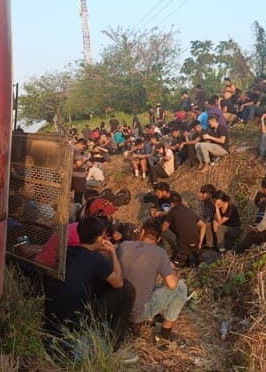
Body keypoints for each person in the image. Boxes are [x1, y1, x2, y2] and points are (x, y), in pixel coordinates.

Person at [44, 216, 137, 363]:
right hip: (77, 322)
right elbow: (118, 283)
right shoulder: (96, 260)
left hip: (53, 320)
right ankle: (114, 347)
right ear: (100, 237)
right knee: (127, 289)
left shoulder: (67, 251)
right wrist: (113, 252)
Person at [118, 219, 188, 344]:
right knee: (181, 288)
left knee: (151, 285)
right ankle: (164, 335)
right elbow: (172, 284)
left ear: (142, 232)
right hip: (136, 313)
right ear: (159, 239)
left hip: (118, 308)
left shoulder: (124, 246)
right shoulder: (160, 253)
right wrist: (172, 272)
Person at [162, 193, 205, 265]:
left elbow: (164, 228)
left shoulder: (172, 211)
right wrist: (200, 242)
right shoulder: (190, 211)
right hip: (196, 245)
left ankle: (168, 256)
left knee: (163, 233)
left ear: (171, 203)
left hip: (183, 246)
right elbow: (203, 225)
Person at [71, 138, 90, 204]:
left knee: (77, 193)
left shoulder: (72, 149)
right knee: (79, 194)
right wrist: (86, 159)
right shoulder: (76, 151)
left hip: (75, 174)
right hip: (78, 176)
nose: (83, 148)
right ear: (80, 144)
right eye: (83, 146)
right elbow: (79, 164)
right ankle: (78, 207)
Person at [198, 184, 216, 248]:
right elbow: (199, 214)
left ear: (209, 194)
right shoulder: (202, 202)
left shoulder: (215, 202)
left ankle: (210, 245)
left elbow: (211, 217)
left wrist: (203, 222)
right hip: (205, 221)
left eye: (203, 193)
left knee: (207, 224)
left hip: (213, 222)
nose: (201, 195)